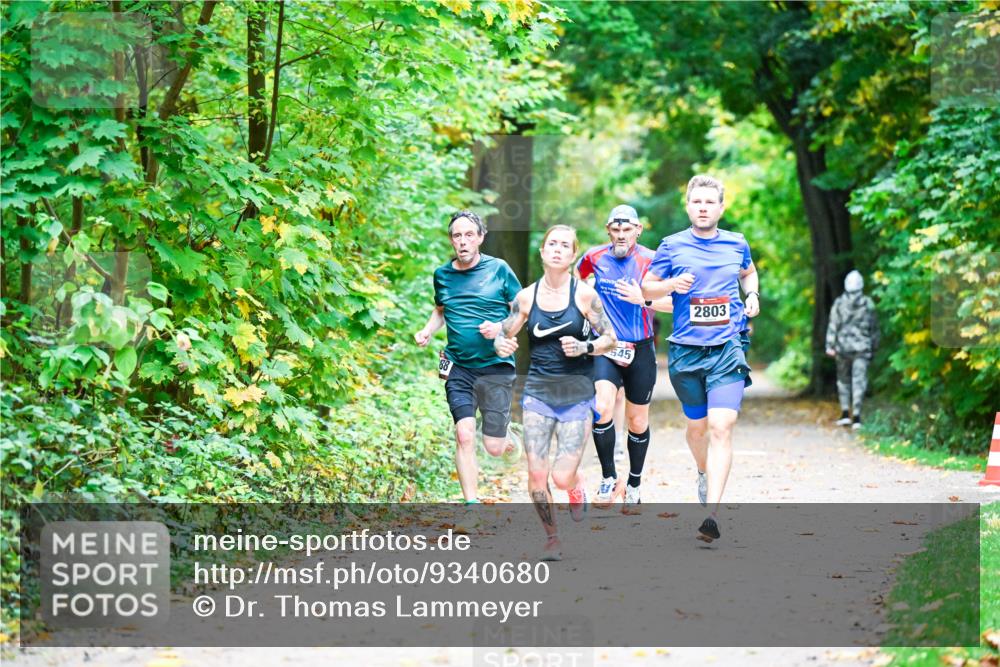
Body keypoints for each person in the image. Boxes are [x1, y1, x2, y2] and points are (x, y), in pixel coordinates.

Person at [641, 175, 760, 542]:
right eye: (697, 202)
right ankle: (703, 472)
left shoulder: (736, 243)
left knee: (722, 428)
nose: (704, 207)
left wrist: (751, 294)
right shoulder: (671, 246)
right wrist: (670, 287)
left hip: (727, 348)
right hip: (686, 354)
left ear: (721, 207)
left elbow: (749, 272)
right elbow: (647, 287)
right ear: (688, 206)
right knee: (697, 429)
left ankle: (712, 514)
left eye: (710, 202)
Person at [494, 225, 617, 560]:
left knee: (561, 477)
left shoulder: (584, 296)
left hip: (577, 393)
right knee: (536, 471)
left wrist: (585, 346)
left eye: (565, 245)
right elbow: (505, 332)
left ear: (573, 255)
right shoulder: (526, 297)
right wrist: (501, 342)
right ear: (542, 251)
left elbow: (611, 339)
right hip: (537, 392)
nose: (558, 249)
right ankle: (552, 537)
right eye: (552, 244)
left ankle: (575, 487)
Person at [415, 211, 521, 504]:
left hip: (496, 365)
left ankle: (507, 436)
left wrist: (500, 327)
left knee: (494, 447)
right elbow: (440, 310)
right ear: (451, 240)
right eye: (457, 236)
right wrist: (427, 330)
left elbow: (521, 309)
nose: (462, 241)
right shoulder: (442, 275)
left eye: (469, 235)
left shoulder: (498, 269)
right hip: (458, 366)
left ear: (480, 238)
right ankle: (472, 505)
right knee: (464, 434)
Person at [577, 204, 673, 512]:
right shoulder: (593, 257)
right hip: (606, 345)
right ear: (608, 230)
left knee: (637, 419)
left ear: (638, 230)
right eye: (615, 230)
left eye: (627, 230)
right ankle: (608, 477)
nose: (621, 236)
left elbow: (676, 301)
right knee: (602, 406)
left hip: (641, 347)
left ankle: (633, 483)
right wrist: (586, 311)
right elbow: (573, 285)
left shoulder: (652, 259)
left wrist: (644, 298)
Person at [825, 270, 879, 430]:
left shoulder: (839, 303)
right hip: (862, 349)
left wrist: (830, 345)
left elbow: (833, 325)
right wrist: (874, 347)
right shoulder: (868, 303)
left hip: (842, 348)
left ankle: (844, 413)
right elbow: (874, 328)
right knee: (859, 381)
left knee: (843, 381)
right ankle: (857, 416)